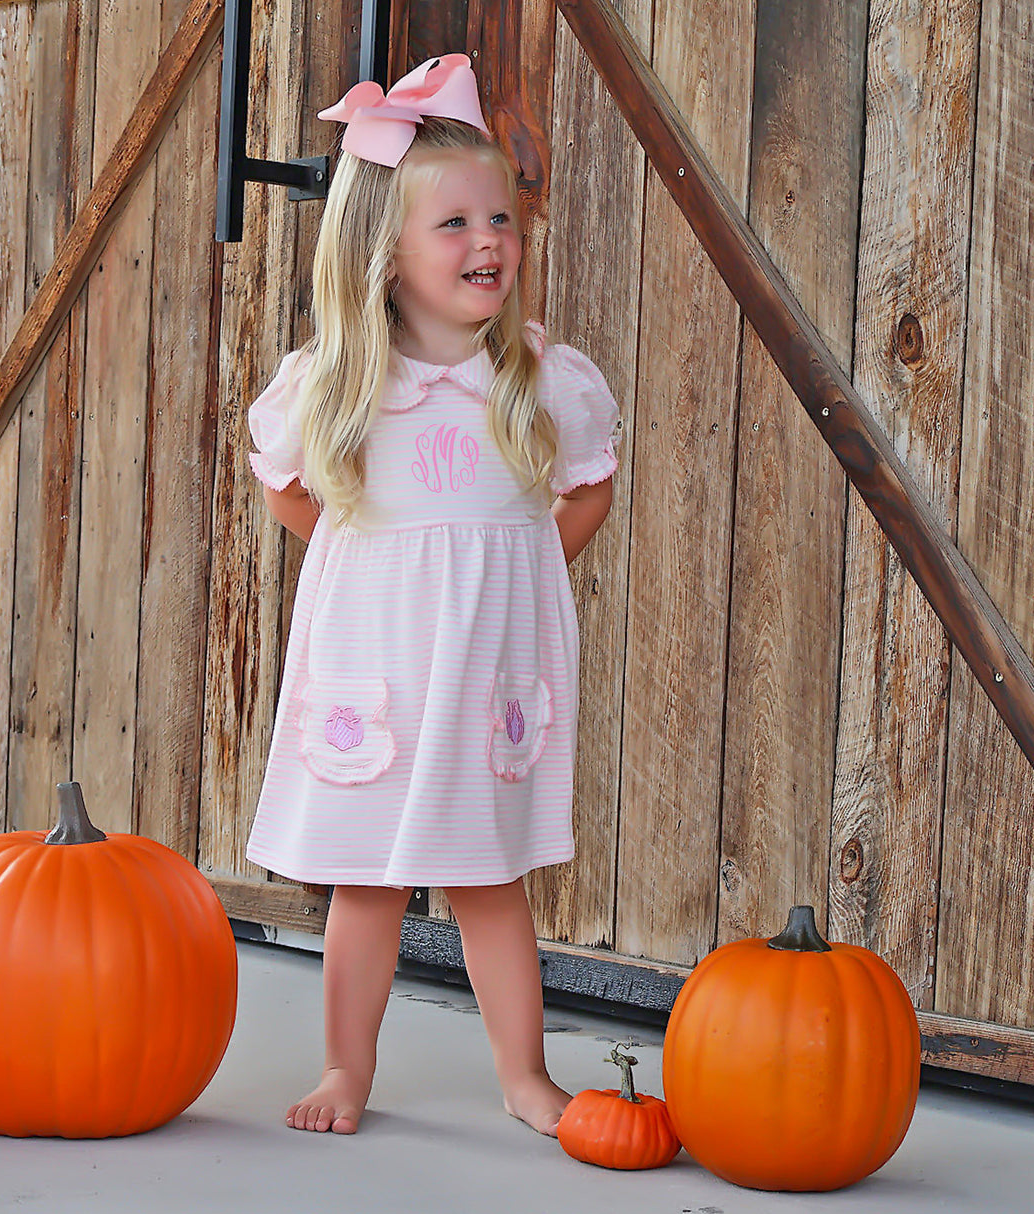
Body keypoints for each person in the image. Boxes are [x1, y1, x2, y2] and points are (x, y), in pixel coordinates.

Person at [245, 54, 619, 1138]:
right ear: (385, 249)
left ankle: (523, 1078)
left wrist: (516, 568)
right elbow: (284, 489)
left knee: (487, 878)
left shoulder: (536, 380)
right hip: (379, 664)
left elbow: (587, 492)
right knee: (365, 883)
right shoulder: (339, 386)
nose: (488, 240)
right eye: (452, 223)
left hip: (484, 668)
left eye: (499, 216)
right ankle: (344, 1071)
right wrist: (365, 556)